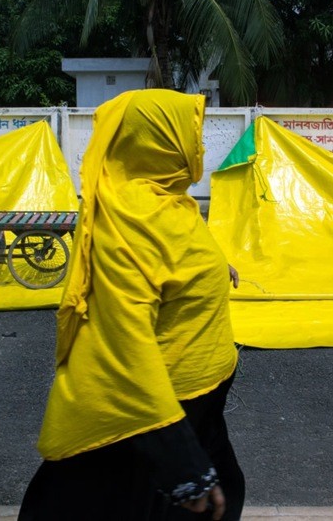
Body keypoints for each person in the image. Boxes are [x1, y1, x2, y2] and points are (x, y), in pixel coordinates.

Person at [18, 89, 244, 521]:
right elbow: (124, 343)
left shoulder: (170, 198)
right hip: (156, 417)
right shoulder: (129, 219)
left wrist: (216, 269)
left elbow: (175, 261)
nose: (198, 145)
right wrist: (179, 462)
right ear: (159, 141)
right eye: (191, 134)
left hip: (200, 406)